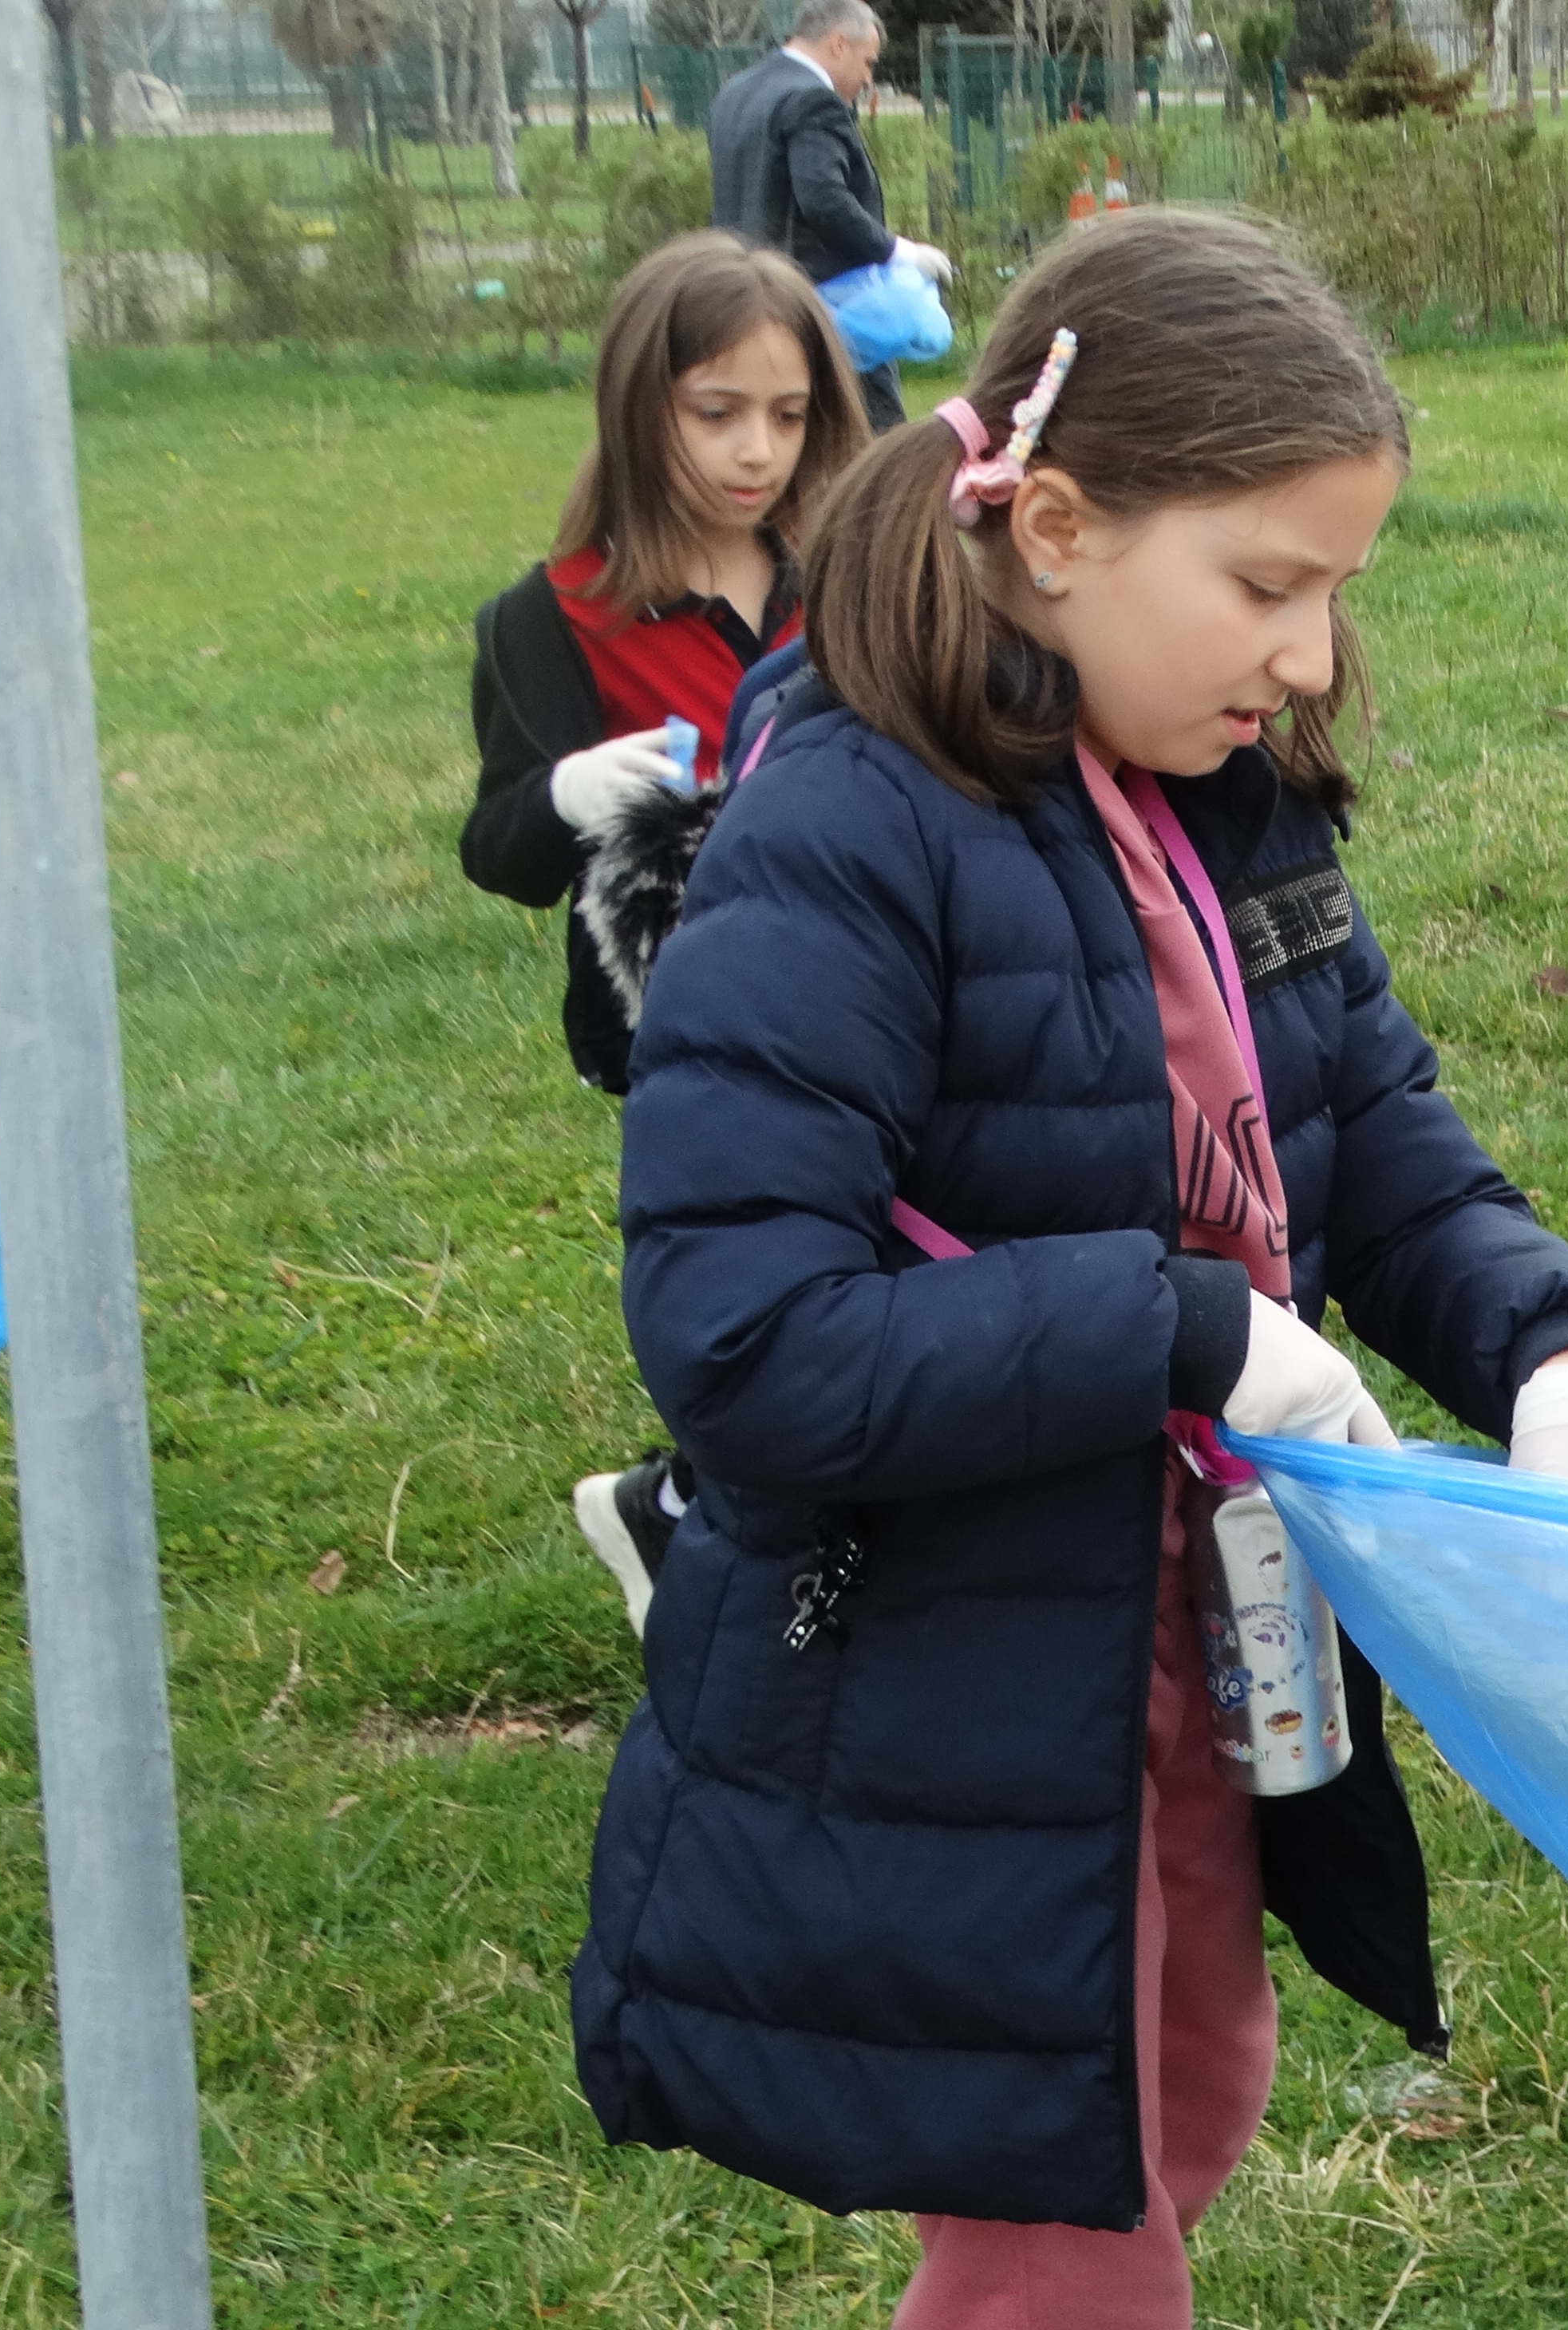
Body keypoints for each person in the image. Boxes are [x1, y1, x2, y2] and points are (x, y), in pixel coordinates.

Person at [572, 211, 1568, 2330]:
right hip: (965, 1700)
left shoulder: (1219, 797)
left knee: (1177, 2103)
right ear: (1054, 526)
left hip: (1179, 1663)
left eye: (1339, 590)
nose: (1315, 655)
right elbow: (749, 1339)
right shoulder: (855, 831)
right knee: (1065, 2227)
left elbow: (1389, 1146)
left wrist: (1556, 1357)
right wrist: (1188, 1329)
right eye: (1269, 586)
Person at [458, 232, 866, 1632]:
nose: (755, 450)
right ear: (642, 406)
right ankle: (710, 1512)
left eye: (789, 414)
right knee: (756, 1278)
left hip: (868, 976)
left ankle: (686, 1505)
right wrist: (567, 792)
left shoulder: (853, 569)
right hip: (674, 1018)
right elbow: (496, 844)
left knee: (865, 1259)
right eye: (716, 413)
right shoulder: (547, 618)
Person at [706, 0, 948, 432]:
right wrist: (899, 252)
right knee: (875, 456)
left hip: (744, 304)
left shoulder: (736, 92)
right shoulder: (813, 100)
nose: (869, 77)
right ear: (839, 44)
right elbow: (823, 199)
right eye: (868, 62)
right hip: (831, 313)